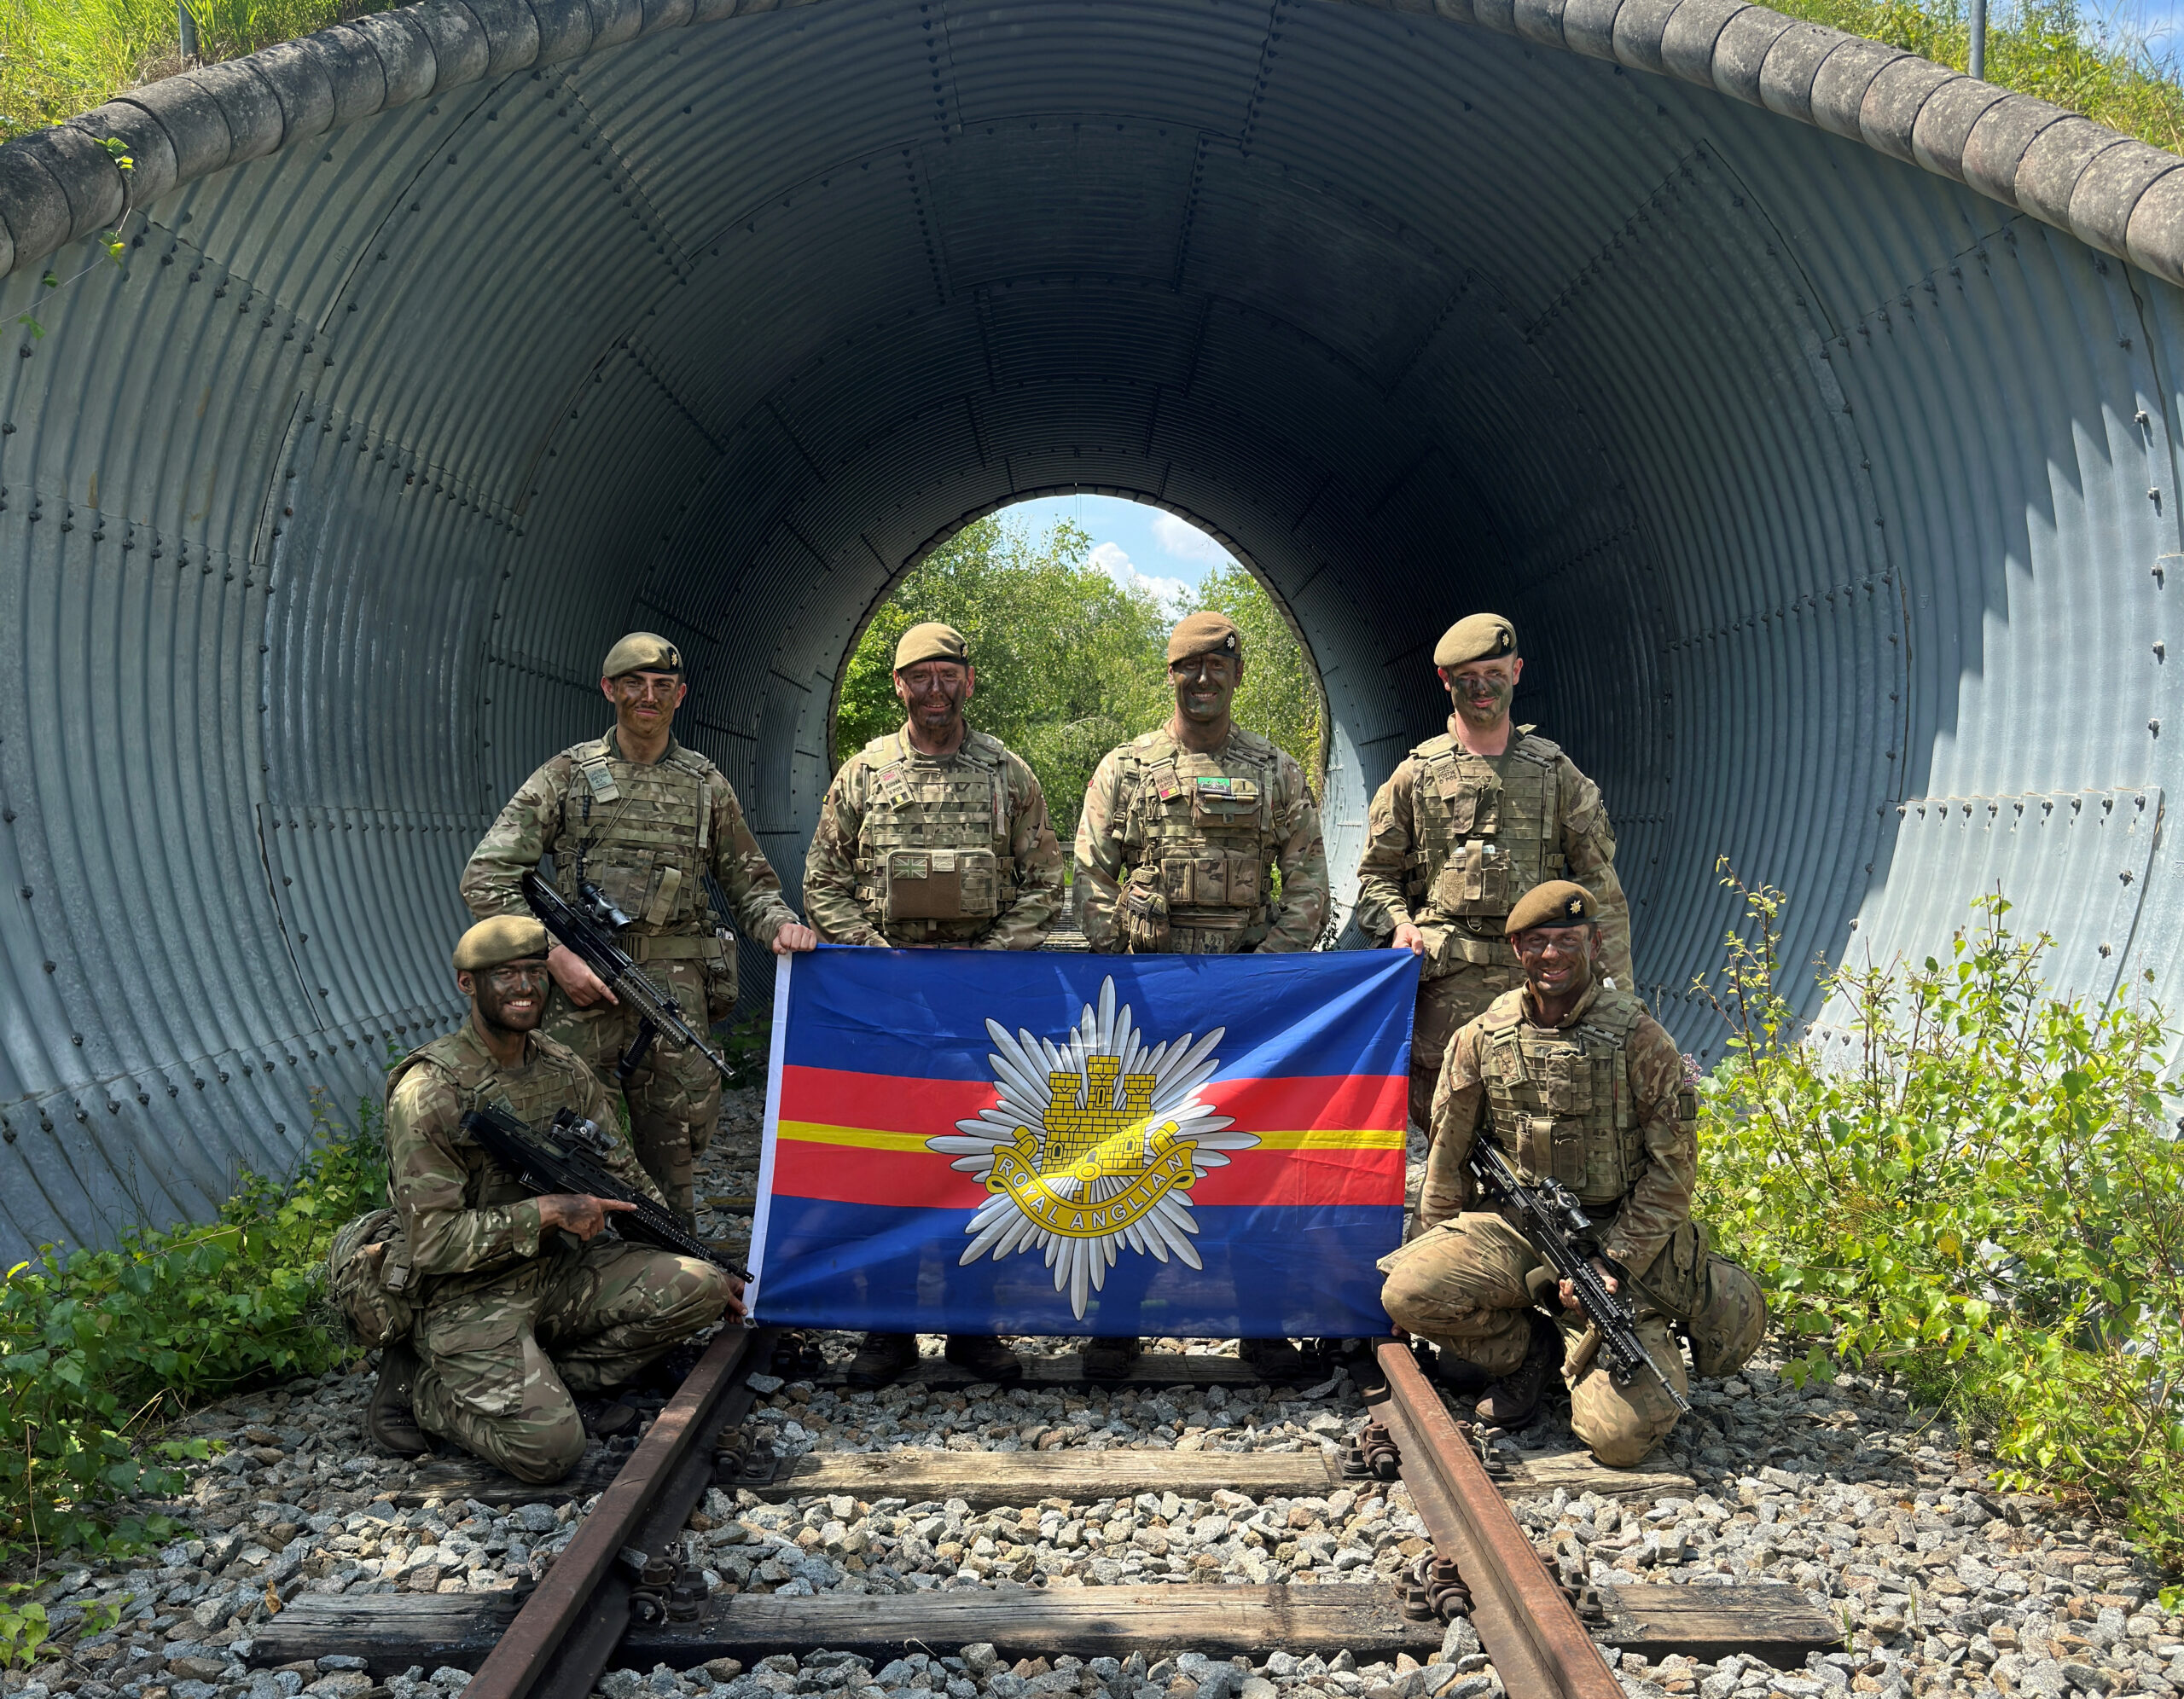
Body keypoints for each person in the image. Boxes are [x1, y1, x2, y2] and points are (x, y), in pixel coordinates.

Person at [363, 916, 738, 1483]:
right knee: (550, 1453)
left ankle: (543, 1376)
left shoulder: (564, 1068)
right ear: (468, 984)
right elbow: (432, 1245)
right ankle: (424, 1387)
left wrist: (695, 1254)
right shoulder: (430, 1092)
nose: (524, 988)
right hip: (463, 1293)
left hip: (556, 1269)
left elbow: (624, 1176)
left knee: (700, 1288)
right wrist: (550, 1212)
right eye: (505, 975)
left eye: (536, 972)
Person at [462, 632, 817, 1226]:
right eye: (634, 684)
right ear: (610, 690)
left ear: (680, 696)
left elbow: (750, 885)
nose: (647, 697)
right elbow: (488, 876)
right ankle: (576, 1274)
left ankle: (673, 1274)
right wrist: (555, 958)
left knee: (676, 1142)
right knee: (563, 1136)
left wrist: (781, 926)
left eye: (662, 687)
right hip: (582, 993)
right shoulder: (567, 776)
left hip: (671, 996)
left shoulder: (706, 785)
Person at [804, 620, 1065, 1389]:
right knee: (886, 1169)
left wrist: (986, 965)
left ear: (969, 682)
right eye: (920, 676)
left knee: (982, 1166)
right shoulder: (863, 774)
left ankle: (974, 1328)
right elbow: (822, 881)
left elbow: (1048, 883)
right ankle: (884, 1332)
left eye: (948, 674)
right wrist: (876, 962)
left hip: (983, 1013)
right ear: (899, 686)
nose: (935, 689)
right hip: (890, 1010)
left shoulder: (1007, 775)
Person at [1072, 609, 1329, 1382]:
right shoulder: (1126, 768)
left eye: (1219, 666)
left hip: (1245, 1014)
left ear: (1237, 675)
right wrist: (1123, 961)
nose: (1205, 679)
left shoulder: (1276, 772)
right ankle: (1117, 1327)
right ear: (1173, 673)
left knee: (1253, 1164)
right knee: (1130, 1162)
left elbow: (1309, 886)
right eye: (1191, 666)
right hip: (1149, 1012)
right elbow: (1088, 874)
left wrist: (1262, 976)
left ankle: (1262, 1326)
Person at [1379, 883, 1704, 1467]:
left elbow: (1674, 1175)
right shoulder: (1480, 1039)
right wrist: (1430, 1257)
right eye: (1537, 943)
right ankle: (1531, 1349)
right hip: (1519, 1230)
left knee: (1621, 1441)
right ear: (1517, 950)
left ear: (1595, 943)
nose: (1552, 956)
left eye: (1566, 940)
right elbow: (1447, 1162)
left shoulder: (1640, 1040)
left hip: (1614, 1242)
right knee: (1405, 1292)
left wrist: (1613, 1262)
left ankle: (1608, 1345)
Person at [1355, 613, 1633, 1141]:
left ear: (1518, 671)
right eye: (1467, 678)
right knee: (1445, 1134)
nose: (1482, 689)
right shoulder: (1414, 776)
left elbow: (1601, 888)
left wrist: (1618, 992)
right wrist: (1398, 925)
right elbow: (1375, 878)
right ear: (1445, 681)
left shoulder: (1555, 774)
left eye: (1495, 673)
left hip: (1541, 983)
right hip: (1447, 990)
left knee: (1544, 1127)